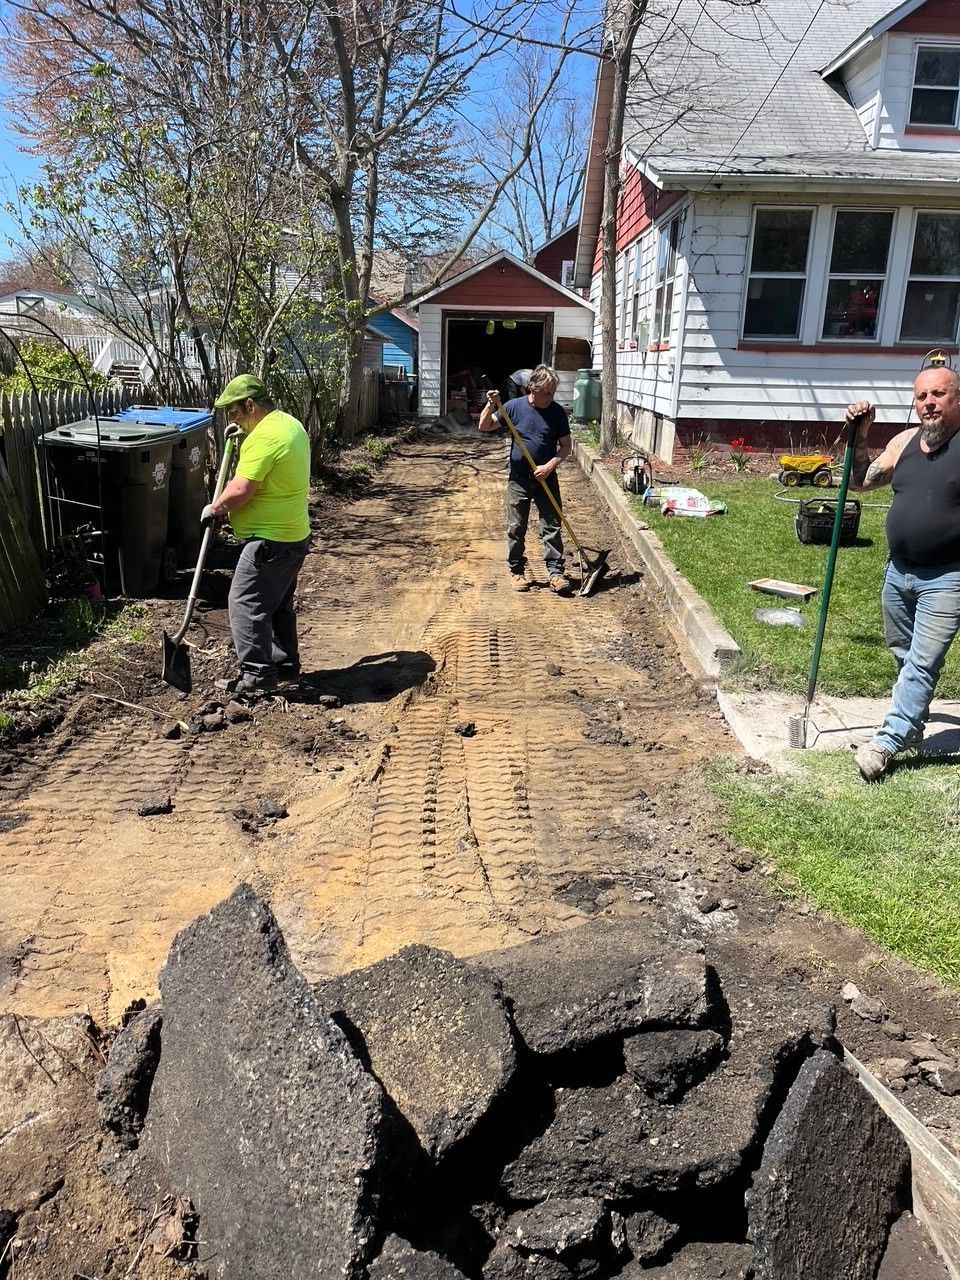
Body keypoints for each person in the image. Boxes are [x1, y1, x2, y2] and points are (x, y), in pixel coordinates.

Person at [846, 361, 960, 780]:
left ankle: (888, 742)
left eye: (938, 394)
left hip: (949, 577)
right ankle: (911, 724)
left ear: (957, 398)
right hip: (899, 572)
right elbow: (860, 481)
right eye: (921, 396)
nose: (929, 403)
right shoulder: (904, 442)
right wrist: (860, 434)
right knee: (904, 654)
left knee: (922, 662)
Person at [201, 373, 311, 696]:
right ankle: (285, 663)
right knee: (276, 602)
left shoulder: (264, 438)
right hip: (293, 535)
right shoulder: (289, 425)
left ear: (251, 405)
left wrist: (216, 508)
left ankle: (258, 676)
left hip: (270, 541)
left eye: (234, 412)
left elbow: (242, 488)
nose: (231, 419)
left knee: (245, 601)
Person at [478, 363, 572, 594]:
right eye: (546, 392)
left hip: (546, 478)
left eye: (553, 392)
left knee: (551, 525)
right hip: (519, 479)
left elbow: (566, 447)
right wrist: (490, 405)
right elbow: (485, 426)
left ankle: (556, 573)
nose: (550, 397)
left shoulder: (557, 412)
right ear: (533, 388)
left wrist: (549, 466)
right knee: (516, 526)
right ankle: (516, 571)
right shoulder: (513, 407)